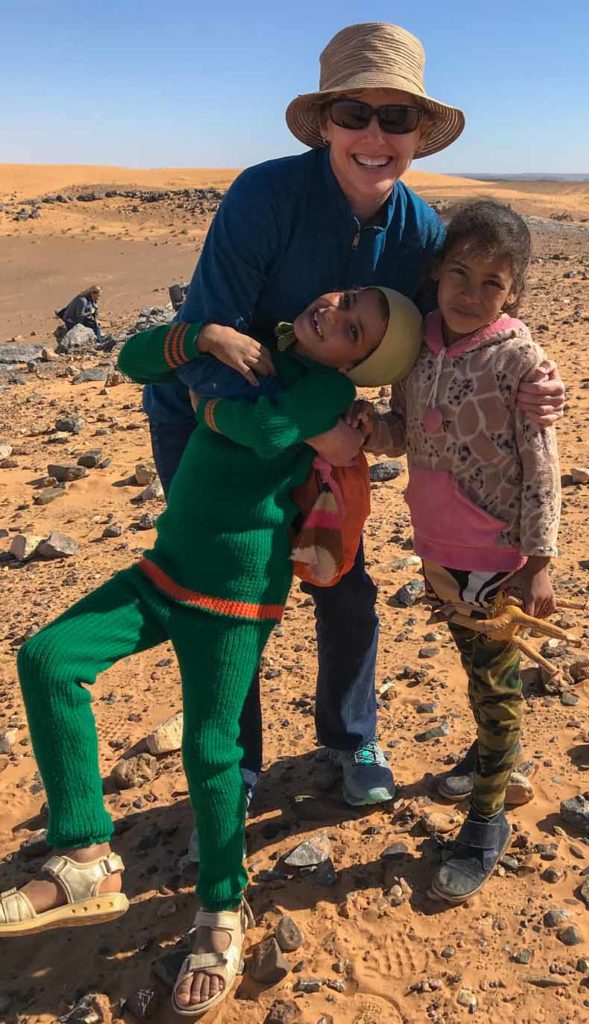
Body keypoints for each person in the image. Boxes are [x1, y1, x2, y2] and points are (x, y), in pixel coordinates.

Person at [144, 21, 566, 810]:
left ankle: (350, 736)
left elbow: (448, 336)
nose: (374, 136)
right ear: (326, 122)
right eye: (354, 114)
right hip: (208, 419)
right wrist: (301, 426)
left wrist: (530, 382)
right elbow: (206, 342)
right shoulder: (263, 196)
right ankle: (234, 767)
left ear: (416, 135)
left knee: (343, 586)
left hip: (334, 428)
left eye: (395, 118)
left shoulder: (420, 233)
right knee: (235, 586)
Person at [0, 287, 423, 1017]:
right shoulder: (253, 346)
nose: (334, 315)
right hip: (165, 571)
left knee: (210, 747)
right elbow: (136, 360)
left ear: (358, 363)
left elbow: (264, 433)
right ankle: (84, 857)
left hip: (235, 595)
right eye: (344, 302)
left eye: (352, 330)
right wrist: (200, 339)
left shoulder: (324, 387)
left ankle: (221, 912)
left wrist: (208, 406)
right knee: (47, 658)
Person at [356, 200, 562, 903]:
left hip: (497, 557)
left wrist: (539, 561)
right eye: (458, 275)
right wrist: (365, 429)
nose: (471, 295)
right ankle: (484, 757)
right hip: (438, 549)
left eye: (491, 284)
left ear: (515, 293)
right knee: (475, 668)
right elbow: (403, 431)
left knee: (496, 687)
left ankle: (486, 819)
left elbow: (542, 463)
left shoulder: (520, 360)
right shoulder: (416, 344)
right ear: (435, 275)